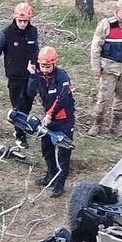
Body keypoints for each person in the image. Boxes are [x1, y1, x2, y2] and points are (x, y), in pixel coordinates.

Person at [88, 0, 122, 137]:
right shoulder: (106, 24)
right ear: (118, 10)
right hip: (109, 68)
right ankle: (97, 124)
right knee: (104, 98)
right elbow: (96, 47)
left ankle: (115, 127)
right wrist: (96, 66)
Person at [27, 46, 75, 198]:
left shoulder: (62, 77)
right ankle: (51, 175)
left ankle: (60, 184)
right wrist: (33, 76)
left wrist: (49, 114)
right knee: (46, 149)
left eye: (48, 66)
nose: (45, 69)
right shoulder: (39, 76)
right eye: (42, 66)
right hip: (49, 119)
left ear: (54, 64)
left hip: (64, 120)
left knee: (63, 153)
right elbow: (30, 93)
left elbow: (62, 98)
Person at [0, 2, 39, 148]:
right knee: (18, 108)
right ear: (15, 18)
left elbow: (35, 49)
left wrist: (38, 68)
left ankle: (22, 128)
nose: (22, 24)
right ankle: (20, 135)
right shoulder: (6, 33)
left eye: (25, 21)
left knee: (27, 104)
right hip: (15, 77)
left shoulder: (33, 31)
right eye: (20, 21)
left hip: (31, 75)